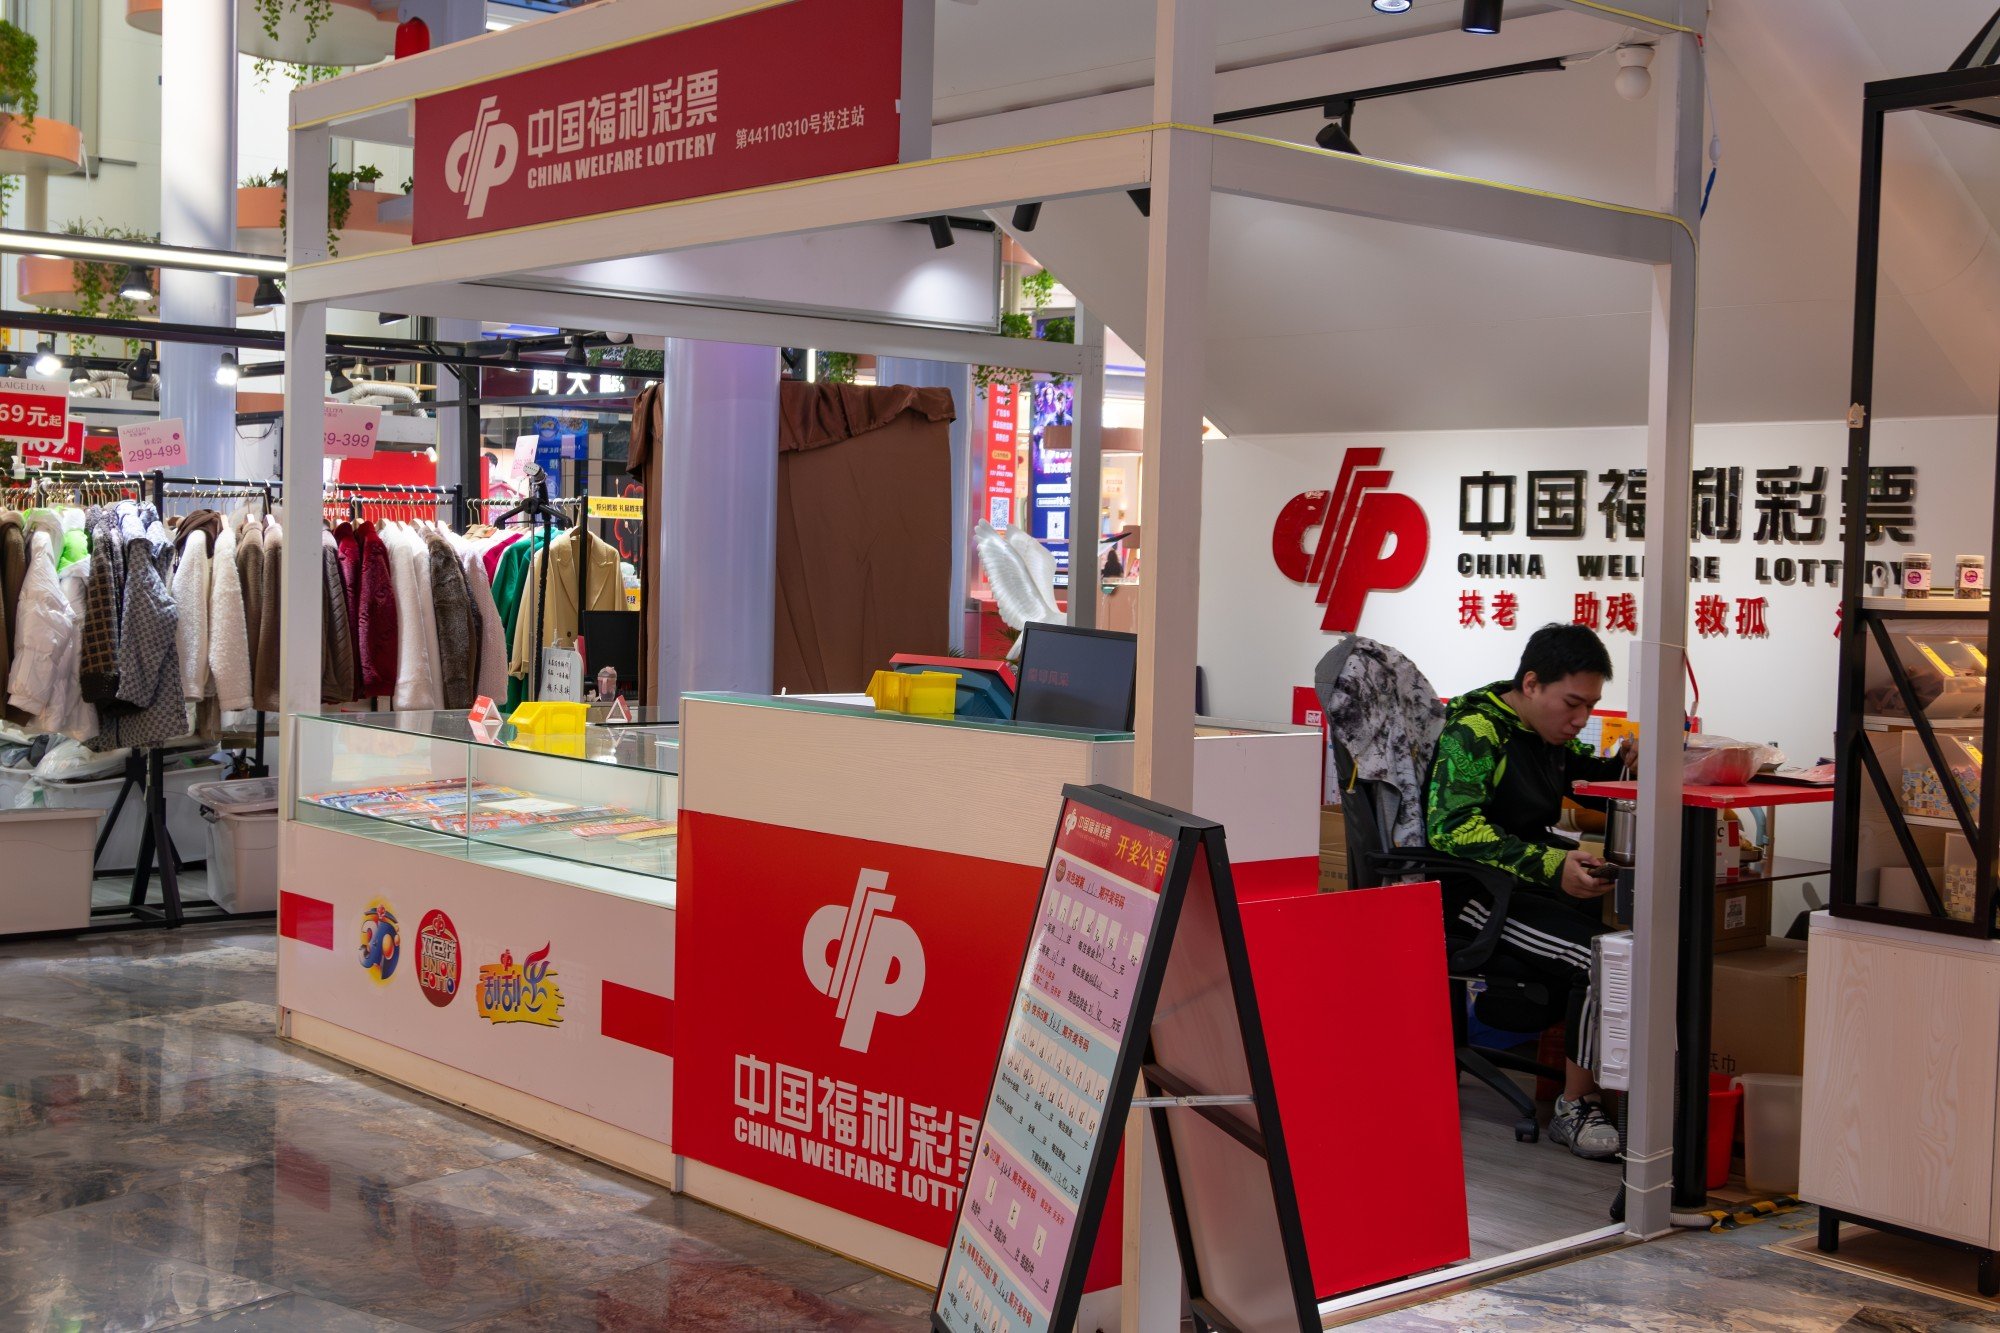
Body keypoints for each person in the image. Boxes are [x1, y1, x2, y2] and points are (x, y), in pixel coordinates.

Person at [1426, 623, 1637, 1160]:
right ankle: (1576, 1106)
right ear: (1532, 683)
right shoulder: (1477, 731)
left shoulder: (1542, 735)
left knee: (1618, 950)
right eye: (1572, 704)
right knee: (1600, 959)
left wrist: (1626, 764)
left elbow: (1585, 778)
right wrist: (1550, 863)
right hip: (1469, 896)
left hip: (1514, 888)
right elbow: (1452, 829)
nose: (1581, 719)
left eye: (1591, 706)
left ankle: (1588, 1094)